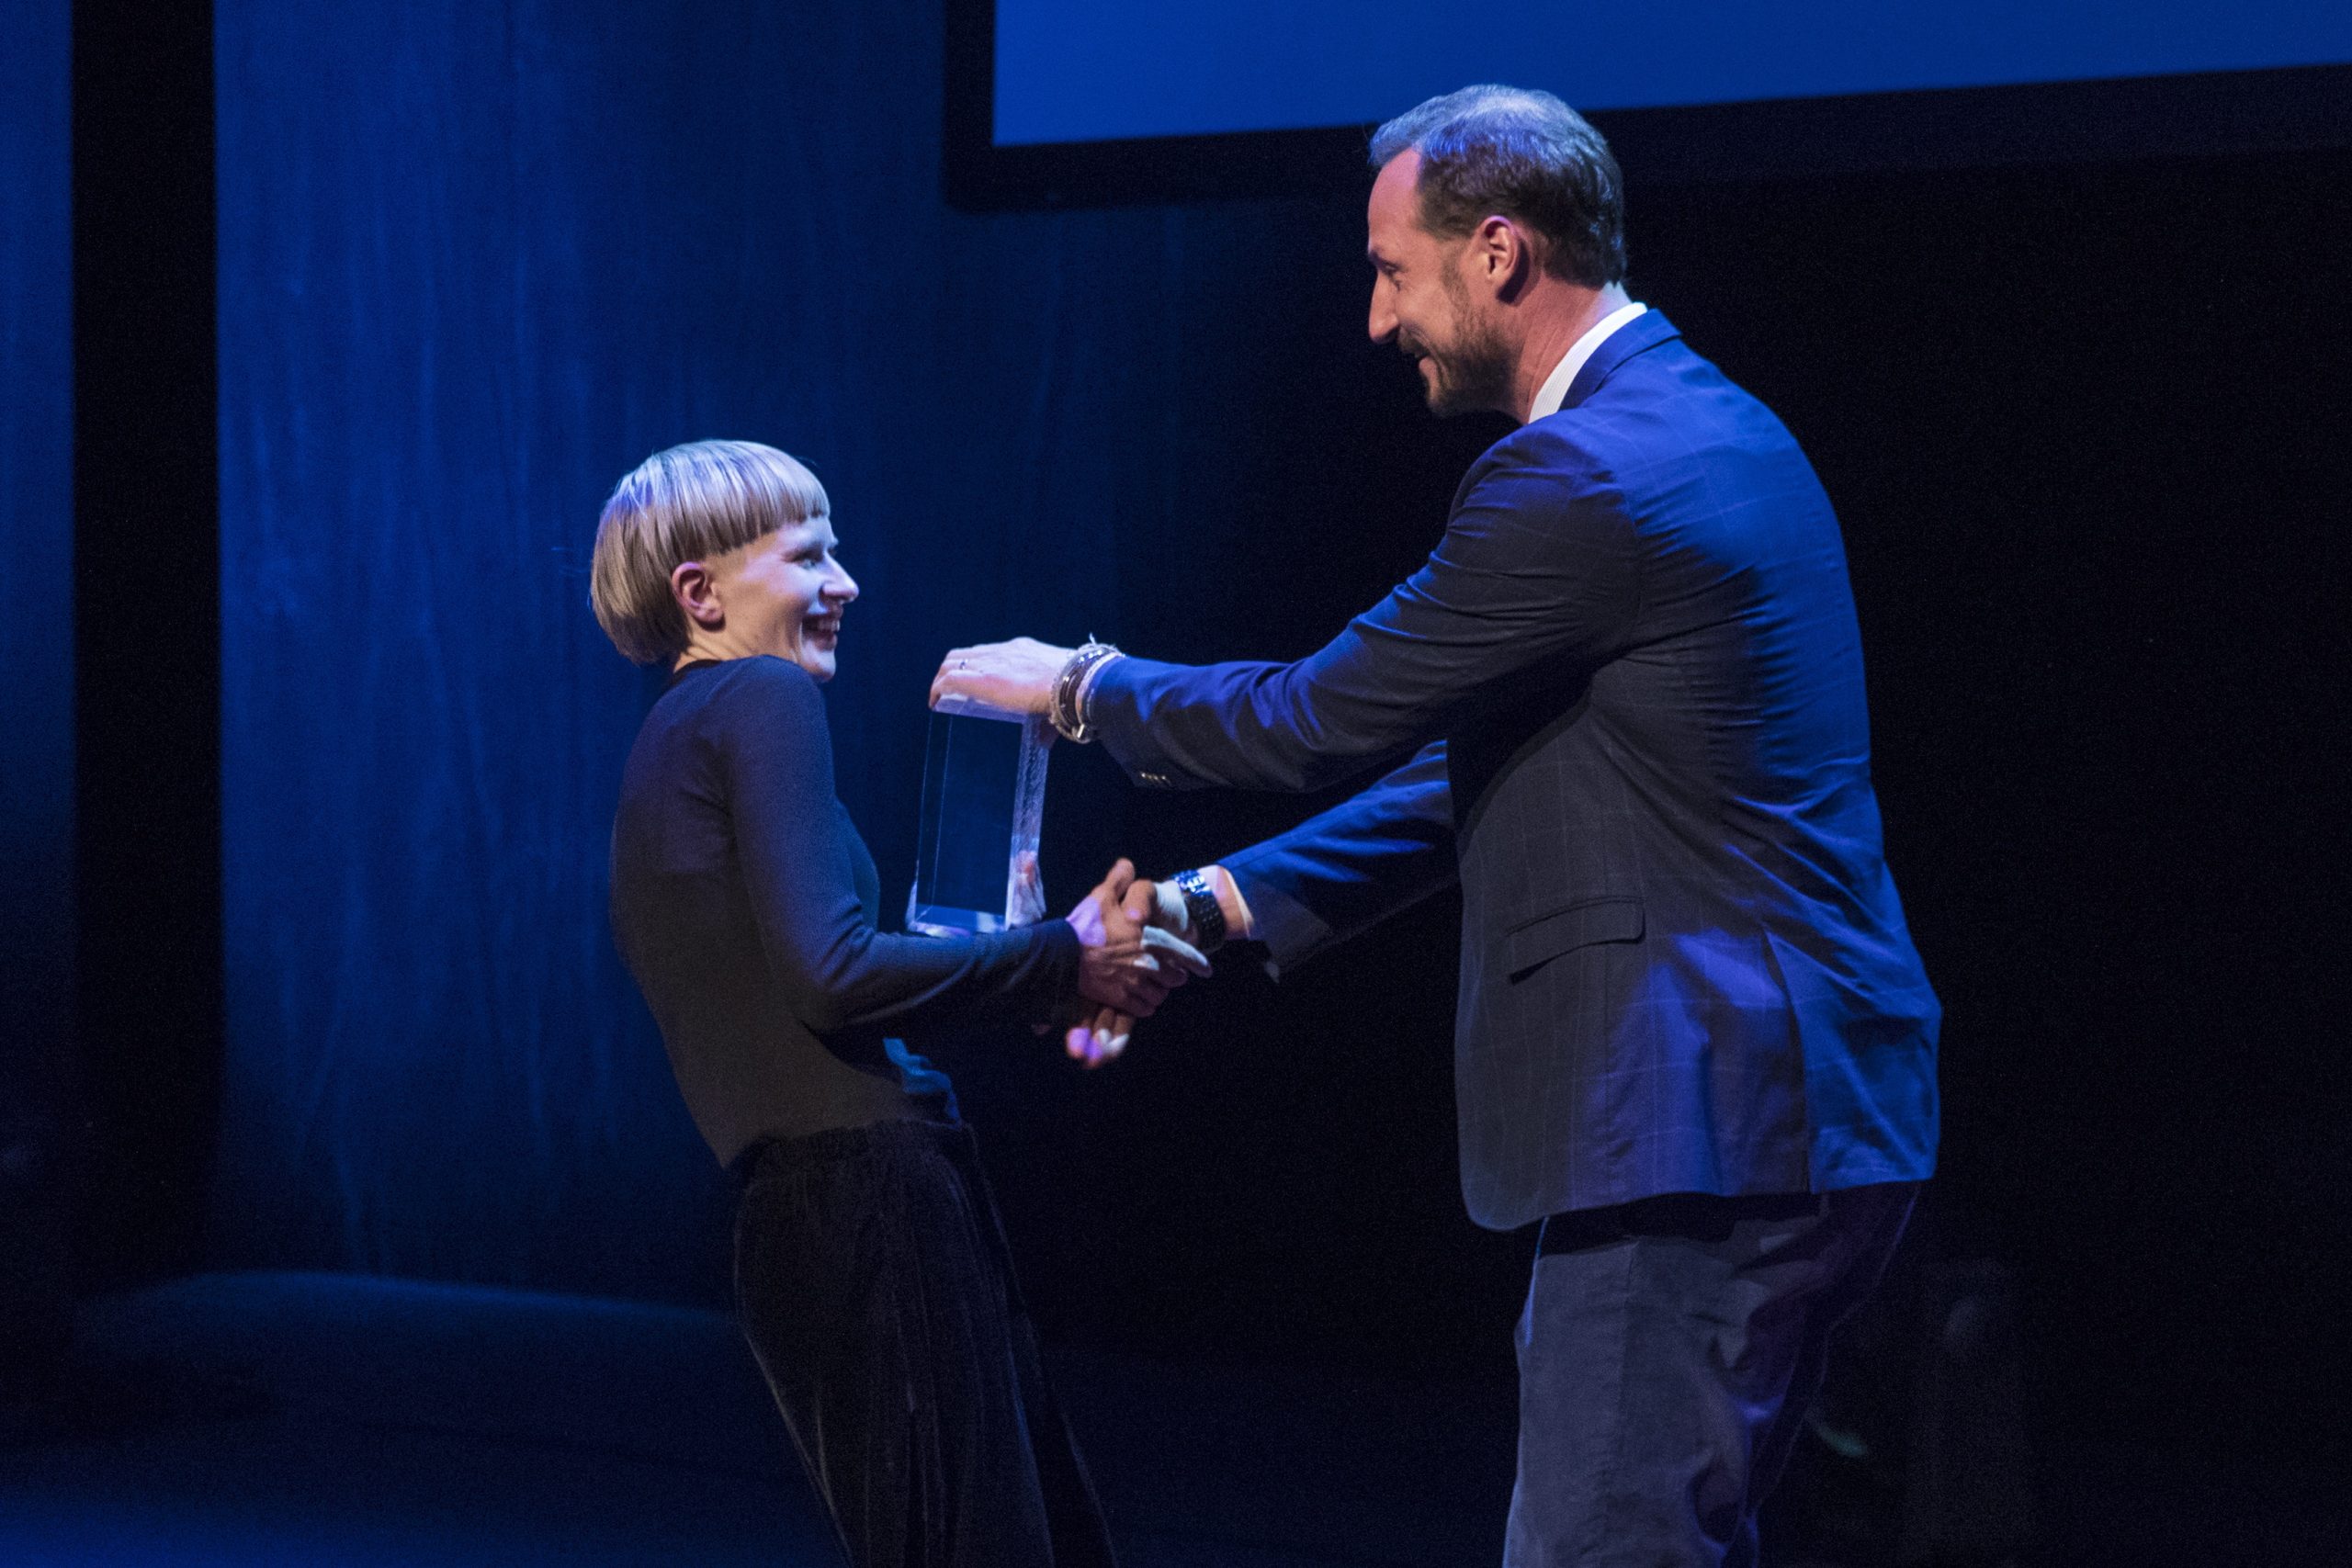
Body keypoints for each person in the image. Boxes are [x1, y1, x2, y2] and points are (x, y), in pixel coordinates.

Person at [931, 86, 1940, 1568]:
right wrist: (1209, 914)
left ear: (1499, 252)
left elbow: (1313, 717)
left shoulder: (1582, 473)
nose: (1374, 317)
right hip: (1783, 1110)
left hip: (1703, 1117)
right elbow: (1482, 767)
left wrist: (1079, 686)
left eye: (1394, 269)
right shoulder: (1702, 421)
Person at [593, 439, 1202, 1568]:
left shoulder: (663, 750)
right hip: (871, 1205)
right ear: (701, 591)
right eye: (810, 555)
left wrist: (1034, 967)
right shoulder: (759, 695)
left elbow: (803, 987)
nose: (847, 583)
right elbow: (832, 974)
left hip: (802, 1220)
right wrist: (1057, 957)